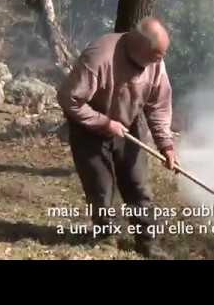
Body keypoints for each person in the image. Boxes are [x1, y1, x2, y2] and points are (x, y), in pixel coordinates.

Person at [57, 17, 176, 259]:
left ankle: (147, 242)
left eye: (162, 55)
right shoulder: (99, 57)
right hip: (89, 128)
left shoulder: (156, 65)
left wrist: (166, 145)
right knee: (101, 188)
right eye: (157, 55)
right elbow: (68, 98)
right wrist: (104, 122)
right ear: (141, 47)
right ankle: (106, 236)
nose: (160, 61)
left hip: (128, 125)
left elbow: (158, 106)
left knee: (137, 185)